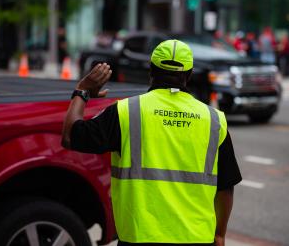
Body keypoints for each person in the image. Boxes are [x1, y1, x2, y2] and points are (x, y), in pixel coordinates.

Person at [62, 40, 242, 246]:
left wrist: (82, 91)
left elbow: (69, 136)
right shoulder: (214, 120)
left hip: (139, 238)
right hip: (198, 239)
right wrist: (219, 234)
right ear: (189, 75)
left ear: (151, 71)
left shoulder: (126, 112)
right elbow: (226, 187)